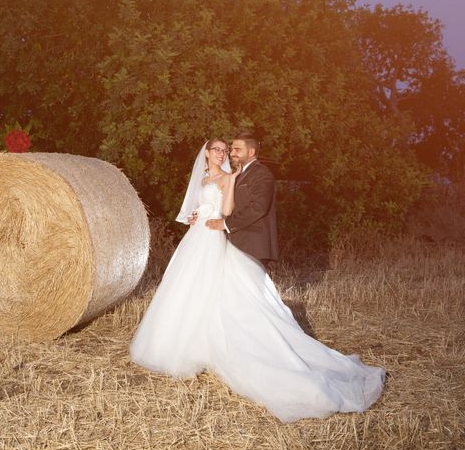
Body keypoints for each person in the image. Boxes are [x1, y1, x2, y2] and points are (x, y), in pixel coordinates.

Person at [129, 134, 385, 423]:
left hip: (217, 235)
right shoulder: (204, 179)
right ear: (206, 153)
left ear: (245, 151)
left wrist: (222, 220)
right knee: (186, 290)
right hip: (198, 236)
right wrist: (196, 216)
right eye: (219, 149)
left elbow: (232, 210)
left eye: (228, 150)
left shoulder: (236, 176)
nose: (225, 153)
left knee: (224, 290)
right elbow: (200, 206)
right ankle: (186, 343)